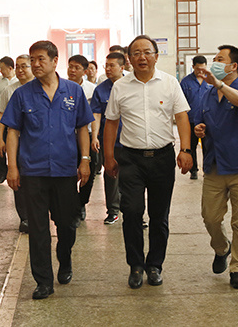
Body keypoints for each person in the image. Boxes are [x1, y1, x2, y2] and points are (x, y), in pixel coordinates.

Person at [1, 40, 94, 300]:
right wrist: (12, 167)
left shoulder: (73, 91)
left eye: (41, 59)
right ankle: (43, 281)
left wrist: (85, 160)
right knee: (38, 228)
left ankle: (65, 259)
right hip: (33, 171)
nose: (35, 64)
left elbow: (82, 128)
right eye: (32, 60)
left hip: (65, 171)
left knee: (66, 225)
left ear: (55, 61)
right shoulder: (22, 94)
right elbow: (13, 132)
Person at [104, 35, 193, 289]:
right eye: (136, 53)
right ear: (129, 59)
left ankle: (154, 265)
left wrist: (186, 149)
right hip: (131, 159)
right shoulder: (120, 86)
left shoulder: (170, 83)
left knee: (159, 215)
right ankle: (135, 265)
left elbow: (182, 117)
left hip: (162, 158)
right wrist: (108, 157)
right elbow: (111, 122)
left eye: (147, 52)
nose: (142, 57)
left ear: (156, 55)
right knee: (131, 211)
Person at [193, 45, 238, 290]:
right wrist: (200, 128)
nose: (215, 63)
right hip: (215, 166)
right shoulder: (207, 95)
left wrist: (219, 85)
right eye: (214, 59)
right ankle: (222, 248)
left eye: (220, 59)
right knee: (210, 218)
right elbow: (202, 121)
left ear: (233, 66)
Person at [0, 55, 34, 233]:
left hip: (36, 142)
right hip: (16, 140)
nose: (20, 70)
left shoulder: (42, 87)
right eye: (18, 67)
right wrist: (0, 139)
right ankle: (25, 217)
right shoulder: (10, 90)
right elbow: (1, 115)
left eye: (24, 66)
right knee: (18, 180)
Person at [90, 52, 125, 225]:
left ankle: (135, 212)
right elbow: (96, 114)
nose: (108, 69)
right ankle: (113, 211)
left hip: (131, 141)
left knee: (132, 177)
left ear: (122, 67)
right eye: (107, 65)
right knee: (111, 175)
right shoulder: (101, 89)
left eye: (112, 65)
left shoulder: (131, 85)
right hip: (110, 141)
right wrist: (94, 136)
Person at [67, 54, 97, 225]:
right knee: (70, 173)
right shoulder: (62, 88)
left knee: (89, 172)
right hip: (68, 137)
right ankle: (72, 206)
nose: (72, 70)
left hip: (89, 136)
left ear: (85, 71)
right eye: (70, 66)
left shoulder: (92, 89)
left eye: (76, 68)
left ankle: (81, 203)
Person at [180, 55, 210, 180]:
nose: (201, 71)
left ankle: (207, 170)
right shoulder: (186, 82)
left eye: (203, 69)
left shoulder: (211, 81)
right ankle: (193, 170)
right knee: (191, 147)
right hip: (191, 121)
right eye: (198, 69)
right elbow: (181, 103)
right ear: (193, 67)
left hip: (208, 121)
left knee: (208, 147)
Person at [0, 56, 16, 184]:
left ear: (10, 68)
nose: (1, 71)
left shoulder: (19, 80)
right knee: (0, 146)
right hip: (2, 117)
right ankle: (2, 174)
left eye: (2, 68)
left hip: (14, 118)